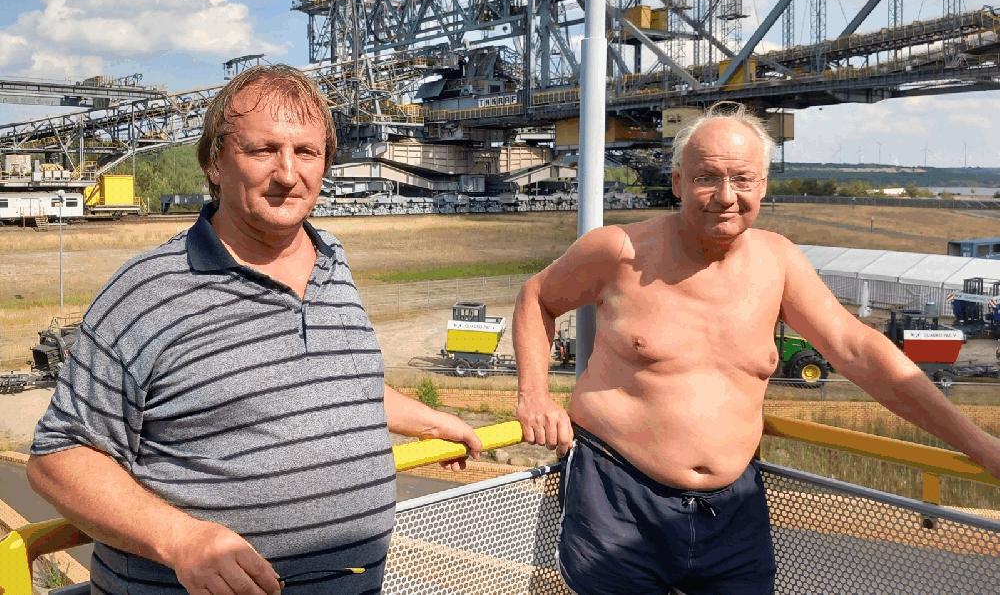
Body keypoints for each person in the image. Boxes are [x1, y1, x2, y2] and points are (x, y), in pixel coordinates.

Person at [27, 65, 481, 595]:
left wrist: (430, 421)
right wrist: (180, 540)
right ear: (215, 162)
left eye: (306, 152)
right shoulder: (148, 291)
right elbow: (58, 456)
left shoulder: (334, 263)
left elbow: (331, 385)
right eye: (264, 150)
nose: (288, 174)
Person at [513, 104, 1000, 595]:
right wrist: (534, 395)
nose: (726, 196)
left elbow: (858, 350)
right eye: (707, 178)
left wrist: (982, 448)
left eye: (742, 179)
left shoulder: (778, 262)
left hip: (733, 511)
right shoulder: (618, 251)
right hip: (617, 496)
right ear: (678, 182)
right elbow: (537, 298)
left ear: (763, 185)